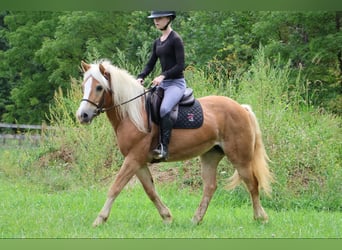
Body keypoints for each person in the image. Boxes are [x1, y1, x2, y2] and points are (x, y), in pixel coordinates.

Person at [137, 11, 186, 160]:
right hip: (163, 84)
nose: (156, 22)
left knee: (164, 109)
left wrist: (163, 75)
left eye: (159, 19)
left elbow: (180, 66)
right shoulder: (157, 42)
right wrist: (140, 76)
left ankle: (165, 147)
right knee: (147, 105)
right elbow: (150, 64)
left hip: (176, 83)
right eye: (154, 19)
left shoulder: (176, 39)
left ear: (168, 19)